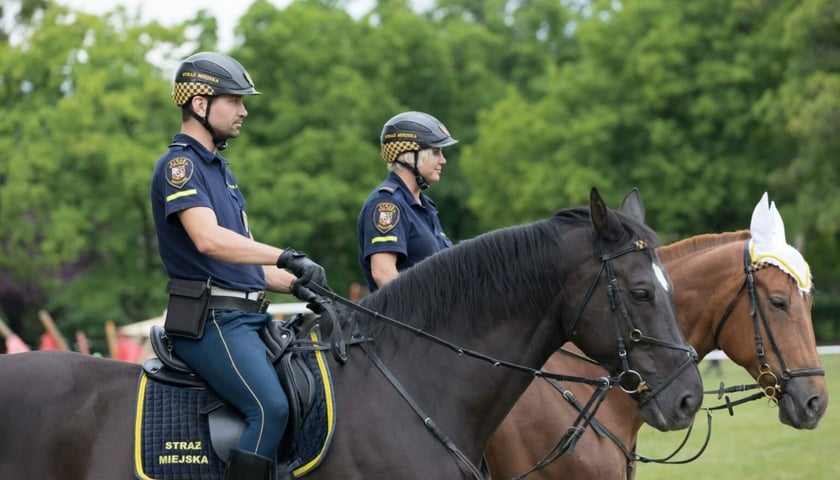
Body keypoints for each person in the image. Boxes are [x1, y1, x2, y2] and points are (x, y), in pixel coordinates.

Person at [150, 51, 326, 480]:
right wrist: (284, 253)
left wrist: (299, 283)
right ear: (199, 103)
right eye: (235, 99)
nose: (244, 110)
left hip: (247, 318)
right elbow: (209, 240)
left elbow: (245, 265)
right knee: (269, 408)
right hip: (213, 322)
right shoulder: (181, 166)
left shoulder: (220, 171)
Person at [357, 111, 458, 292]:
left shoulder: (425, 206)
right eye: (436, 152)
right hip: (407, 319)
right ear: (410, 155)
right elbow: (383, 272)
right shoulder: (387, 205)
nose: (443, 160)